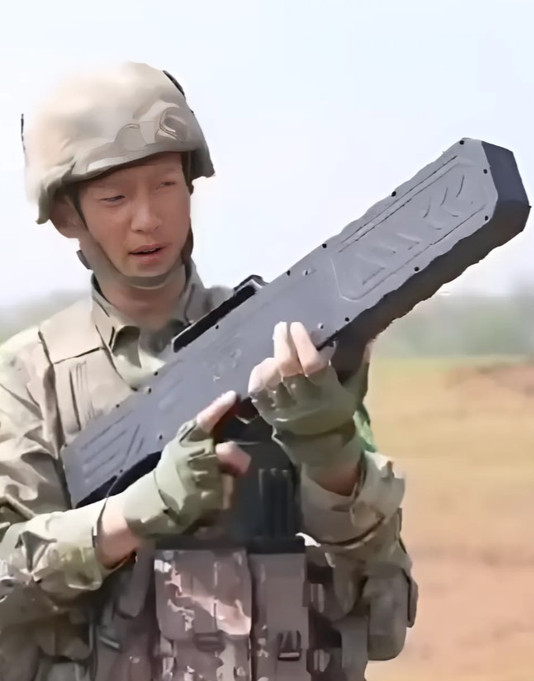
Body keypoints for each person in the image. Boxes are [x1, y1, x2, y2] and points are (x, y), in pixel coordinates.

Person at [0, 61, 416, 680]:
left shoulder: (286, 348)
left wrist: (331, 453)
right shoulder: (30, 378)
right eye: (116, 197)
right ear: (67, 215)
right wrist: (131, 515)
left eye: (166, 185)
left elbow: (383, 613)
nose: (148, 218)